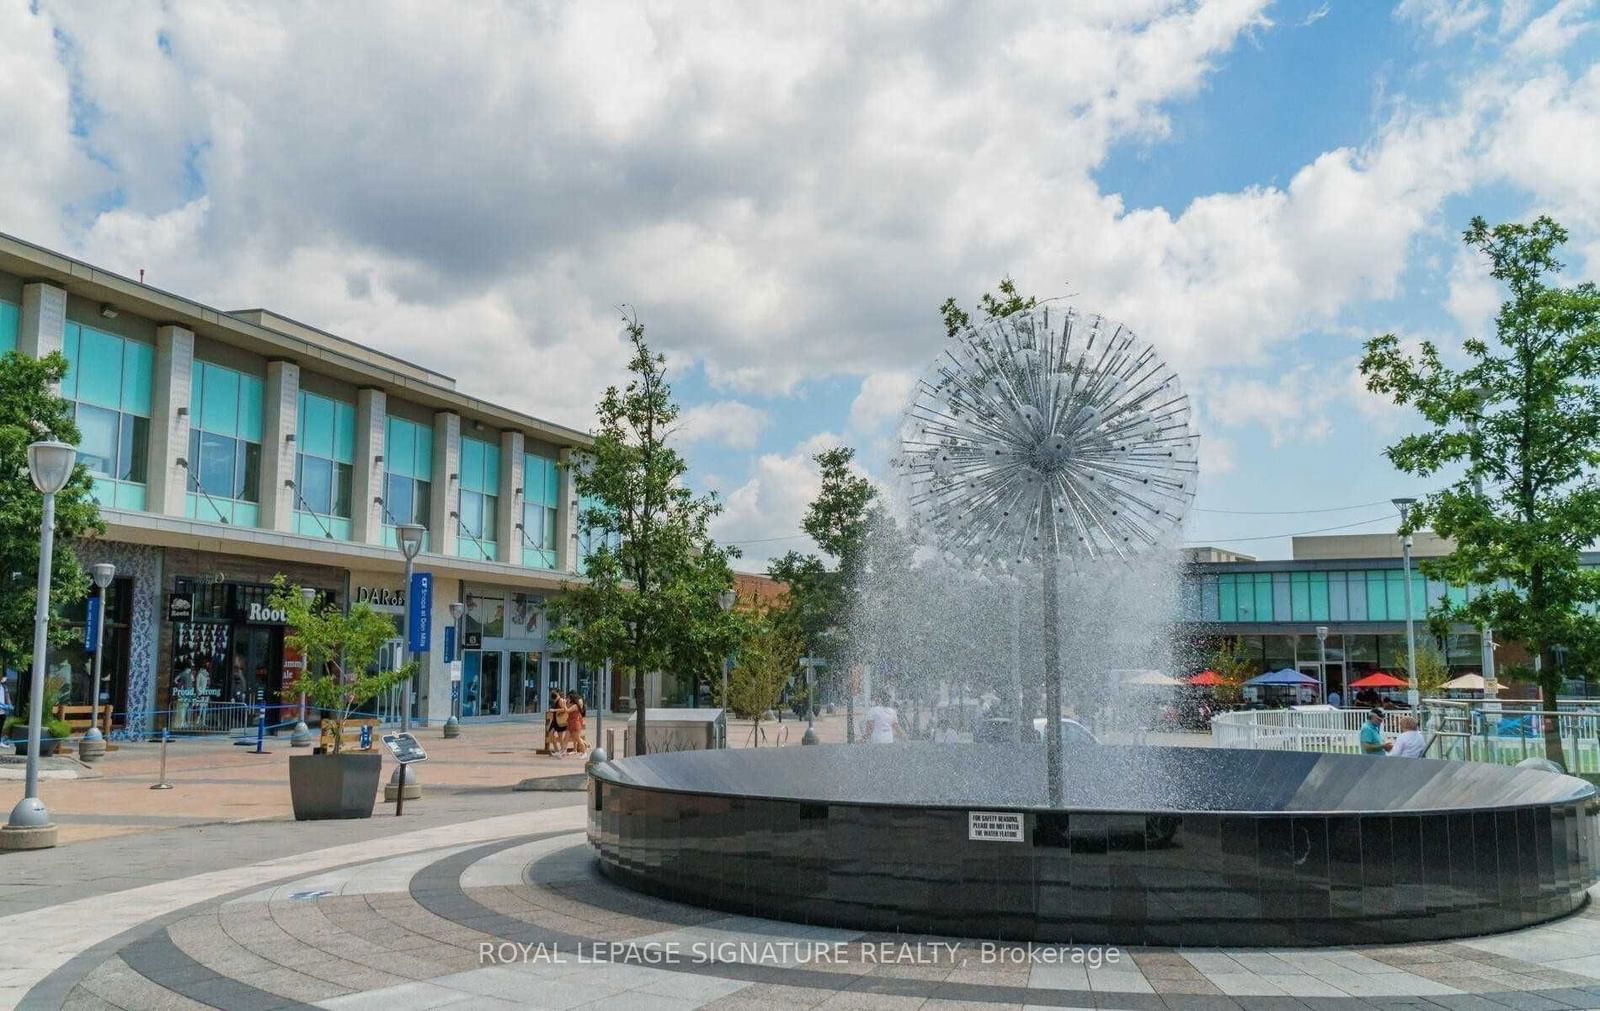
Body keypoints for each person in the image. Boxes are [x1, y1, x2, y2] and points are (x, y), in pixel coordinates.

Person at [566, 690, 588, 755]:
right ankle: (575, 749)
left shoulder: (578, 701)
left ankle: (584, 746)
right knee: (575, 736)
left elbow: (577, 708)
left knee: (576, 736)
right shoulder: (575, 701)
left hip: (577, 718)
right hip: (576, 718)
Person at [549, 692, 571, 758]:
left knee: (560, 736)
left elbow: (564, 709)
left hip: (559, 720)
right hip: (555, 720)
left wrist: (554, 710)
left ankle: (562, 751)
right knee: (551, 733)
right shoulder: (557, 700)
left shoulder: (560, 700)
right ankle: (558, 750)